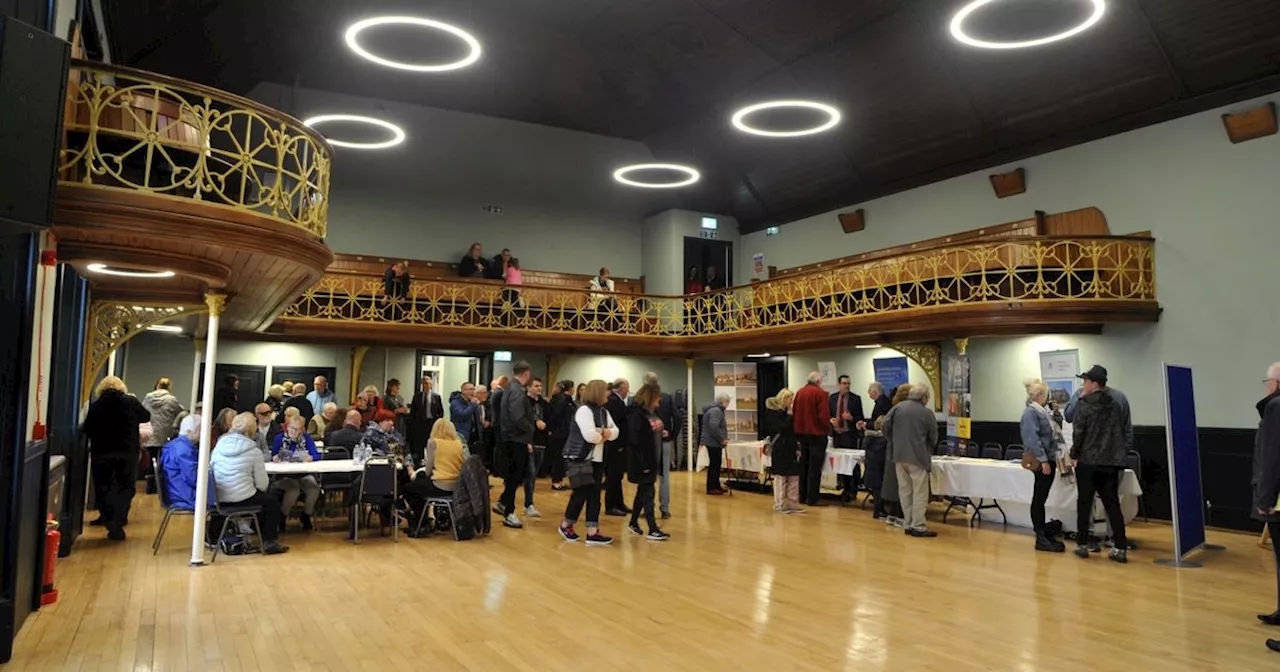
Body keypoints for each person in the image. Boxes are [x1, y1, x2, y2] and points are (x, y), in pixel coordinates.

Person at [1069, 365, 1131, 563]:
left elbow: (1078, 433)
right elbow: (1121, 432)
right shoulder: (1114, 404)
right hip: (1110, 462)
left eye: (1085, 381)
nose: (1083, 384)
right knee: (1112, 504)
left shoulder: (1084, 404)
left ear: (1094, 384)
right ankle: (1120, 547)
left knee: (1085, 503)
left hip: (1087, 461)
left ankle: (1082, 544)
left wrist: (1074, 454)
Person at [209, 412, 289, 555]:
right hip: (242, 497)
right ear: (252, 431)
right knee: (271, 502)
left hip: (218, 496)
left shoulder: (219, 446)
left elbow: (211, 467)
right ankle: (268, 541)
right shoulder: (254, 451)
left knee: (263, 498)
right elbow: (262, 484)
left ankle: (216, 536)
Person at [83, 376, 151, 539]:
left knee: (104, 487)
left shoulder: (96, 405)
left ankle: (109, 519)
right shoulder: (131, 402)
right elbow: (146, 416)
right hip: (127, 453)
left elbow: (87, 429)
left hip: (102, 453)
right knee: (126, 487)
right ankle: (119, 519)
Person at [559, 379, 618, 546]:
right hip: (580, 458)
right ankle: (566, 525)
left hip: (597, 459)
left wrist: (603, 432)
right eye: (606, 390)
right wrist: (604, 435)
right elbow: (589, 436)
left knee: (594, 496)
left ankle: (592, 531)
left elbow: (616, 432)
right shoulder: (583, 410)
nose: (609, 394)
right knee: (581, 493)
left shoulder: (603, 412)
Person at [883, 383, 938, 538]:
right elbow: (933, 436)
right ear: (925, 397)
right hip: (918, 457)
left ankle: (908, 523)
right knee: (920, 492)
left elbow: (884, 426)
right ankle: (918, 525)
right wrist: (929, 447)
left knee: (905, 490)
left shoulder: (897, 408)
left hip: (899, 455)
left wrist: (892, 441)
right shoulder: (926, 413)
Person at [1253, 363, 1280, 647]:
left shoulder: (1275, 407)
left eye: (1267, 381)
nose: (1266, 386)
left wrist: (1265, 498)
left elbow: (1272, 457)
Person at [1021, 380, 1066, 553]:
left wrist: (1056, 414)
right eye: (1046, 394)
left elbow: (1054, 431)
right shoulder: (1031, 413)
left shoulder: (1042, 412)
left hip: (1049, 457)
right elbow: (1032, 439)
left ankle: (1042, 533)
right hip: (1042, 461)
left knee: (1041, 496)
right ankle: (1040, 536)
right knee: (1039, 498)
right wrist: (1044, 460)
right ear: (1040, 395)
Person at [402, 419, 468, 530]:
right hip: (456, 485)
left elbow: (428, 471)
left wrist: (428, 463)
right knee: (420, 485)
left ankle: (421, 521)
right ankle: (427, 520)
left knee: (409, 489)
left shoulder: (433, 442)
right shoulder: (458, 443)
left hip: (441, 484)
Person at [495, 361, 536, 529]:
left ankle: (503, 503)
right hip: (516, 438)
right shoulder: (518, 391)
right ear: (526, 374)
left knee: (516, 475)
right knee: (515, 476)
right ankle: (509, 512)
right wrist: (530, 429)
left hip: (510, 437)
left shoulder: (509, 388)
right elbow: (518, 416)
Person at [627, 384, 670, 540]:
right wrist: (643, 463)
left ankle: (633, 522)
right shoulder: (636, 413)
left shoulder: (651, 412)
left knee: (642, 492)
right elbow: (634, 439)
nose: (660, 401)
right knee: (648, 492)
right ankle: (652, 528)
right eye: (658, 397)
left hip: (653, 458)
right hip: (642, 460)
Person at [270, 415, 322, 531]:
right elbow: (272, 455)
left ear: (302, 430)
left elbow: (317, 455)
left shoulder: (306, 438)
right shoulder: (279, 438)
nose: (293, 431)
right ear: (287, 427)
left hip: (302, 473)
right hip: (284, 474)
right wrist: (275, 458)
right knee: (293, 490)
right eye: (292, 428)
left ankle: (306, 515)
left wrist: (311, 458)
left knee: (314, 487)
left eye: (297, 429)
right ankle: (282, 516)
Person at [793, 371, 832, 506]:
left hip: (802, 434)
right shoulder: (821, 393)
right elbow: (823, 416)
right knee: (815, 468)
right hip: (817, 434)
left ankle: (801, 496)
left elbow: (795, 412)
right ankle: (812, 498)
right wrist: (829, 425)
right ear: (819, 381)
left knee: (803, 466)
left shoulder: (799, 392)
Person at [764, 388, 804, 513]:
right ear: (784, 399)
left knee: (794, 476)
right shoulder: (772, 413)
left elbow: (794, 431)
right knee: (780, 477)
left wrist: (797, 447)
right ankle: (779, 504)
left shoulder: (789, 413)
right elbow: (782, 428)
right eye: (790, 399)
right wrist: (789, 416)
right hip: (780, 448)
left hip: (791, 447)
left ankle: (792, 503)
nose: (791, 402)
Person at [159, 414, 211, 511]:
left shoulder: (173, 445)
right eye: (200, 430)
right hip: (183, 496)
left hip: (173, 492)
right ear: (189, 431)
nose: (203, 433)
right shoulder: (185, 450)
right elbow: (193, 479)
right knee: (221, 499)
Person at [645, 372, 676, 519]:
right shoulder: (668, 397)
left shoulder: (639, 399)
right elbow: (677, 417)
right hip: (664, 442)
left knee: (646, 476)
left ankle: (647, 508)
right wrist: (671, 435)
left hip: (647, 443)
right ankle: (664, 508)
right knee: (665, 477)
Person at [860, 382, 892, 519]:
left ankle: (880, 508)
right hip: (878, 446)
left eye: (870, 390)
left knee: (877, 479)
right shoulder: (883, 402)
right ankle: (881, 508)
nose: (868, 393)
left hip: (877, 446)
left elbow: (878, 423)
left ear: (876, 392)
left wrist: (866, 425)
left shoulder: (882, 404)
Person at [604, 378, 632, 513]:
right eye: (627, 388)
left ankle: (619, 503)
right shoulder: (614, 402)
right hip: (615, 445)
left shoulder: (617, 401)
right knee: (613, 476)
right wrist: (619, 444)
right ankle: (611, 506)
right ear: (621, 388)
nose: (628, 391)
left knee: (618, 475)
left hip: (619, 445)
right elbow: (615, 425)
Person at [523, 378, 548, 517]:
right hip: (529, 442)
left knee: (534, 475)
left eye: (540, 386)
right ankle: (529, 504)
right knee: (530, 473)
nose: (539, 388)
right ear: (528, 387)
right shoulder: (524, 402)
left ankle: (529, 503)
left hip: (541, 442)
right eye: (536, 386)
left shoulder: (543, 403)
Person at [142, 377, 184, 456]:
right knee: (163, 462)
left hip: (149, 437)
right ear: (169, 387)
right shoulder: (171, 400)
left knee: (149, 462)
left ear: (157, 386)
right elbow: (181, 413)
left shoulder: (147, 399)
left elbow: (142, 413)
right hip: (165, 437)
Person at [547, 380, 576, 491]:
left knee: (561, 457)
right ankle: (556, 481)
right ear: (570, 388)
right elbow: (556, 415)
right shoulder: (562, 399)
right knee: (559, 458)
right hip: (560, 433)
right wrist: (552, 429)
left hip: (562, 432)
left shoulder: (563, 399)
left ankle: (559, 480)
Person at [699, 393, 729, 495]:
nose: (728, 404)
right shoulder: (716, 411)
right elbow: (714, 427)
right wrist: (722, 439)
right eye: (727, 402)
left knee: (716, 464)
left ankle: (716, 486)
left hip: (713, 441)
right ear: (722, 401)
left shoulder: (714, 410)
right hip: (713, 442)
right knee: (714, 465)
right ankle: (712, 488)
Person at [407, 376, 442, 463]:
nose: (426, 385)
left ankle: (431, 461)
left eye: (428, 383)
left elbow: (440, 411)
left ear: (431, 385)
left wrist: (438, 423)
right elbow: (413, 412)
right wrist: (413, 425)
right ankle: (419, 462)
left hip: (431, 423)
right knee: (419, 444)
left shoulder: (436, 397)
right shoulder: (417, 396)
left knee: (431, 443)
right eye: (424, 383)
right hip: (420, 423)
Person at [829, 375, 865, 450]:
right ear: (838, 385)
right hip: (836, 435)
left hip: (850, 435)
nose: (847, 386)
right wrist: (831, 421)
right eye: (844, 383)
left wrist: (851, 418)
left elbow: (860, 417)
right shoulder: (832, 398)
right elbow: (829, 414)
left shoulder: (855, 398)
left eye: (848, 383)